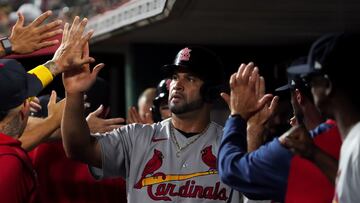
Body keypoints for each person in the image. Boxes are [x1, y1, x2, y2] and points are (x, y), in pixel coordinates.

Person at [61, 46, 242, 202]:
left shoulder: (231, 146)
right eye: (175, 77)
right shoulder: (136, 137)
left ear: (210, 91)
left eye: (190, 79)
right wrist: (74, 94)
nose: (177, 85)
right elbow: (78, 148)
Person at [218, 61, 341, 202]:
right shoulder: (348, 135)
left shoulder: (299, 149)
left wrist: (237, 115)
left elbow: (233, 170)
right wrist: (255, 128)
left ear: (298, 96)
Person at [286, 33, 360, 203]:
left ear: (328, 85)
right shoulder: (352, 140)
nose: (309, 89)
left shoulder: (358, 144)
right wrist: (313, 153)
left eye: (310, 80)